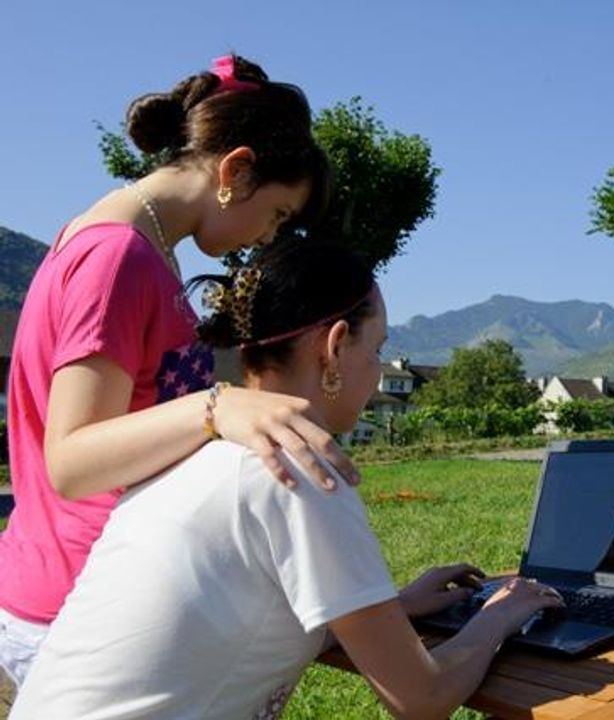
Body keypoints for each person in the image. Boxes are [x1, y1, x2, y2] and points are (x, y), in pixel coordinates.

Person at [11, 239, 563, 720]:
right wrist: (499, 618)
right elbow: (421, 698)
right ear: (335, 345)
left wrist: (394, 607)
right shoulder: (294, 468)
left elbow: (237, 624)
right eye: (377, 348)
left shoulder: (193, 453)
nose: (377, 369)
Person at [0, 54, 360, 687]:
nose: (262, 238)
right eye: (276, 215)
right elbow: (72, 461)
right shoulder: (116, 257)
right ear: (236, 171)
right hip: (77, 595)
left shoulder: (135, 248)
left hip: (93, 581)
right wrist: (216, 407)